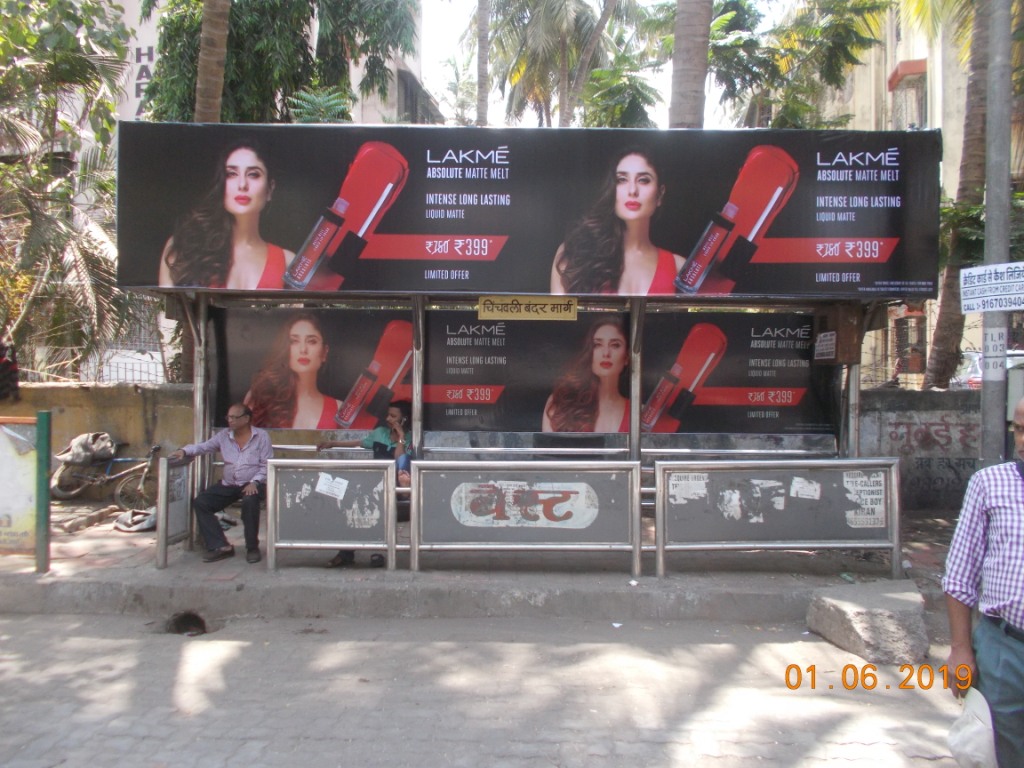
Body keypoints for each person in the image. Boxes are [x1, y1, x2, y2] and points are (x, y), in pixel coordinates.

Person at [942, 394, 1024, 767]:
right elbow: (960, 576)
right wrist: (961, 649)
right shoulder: (990, 484)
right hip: (1005, 647)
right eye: (1019, 430)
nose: (1022, 441)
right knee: (1003, 745)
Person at [158, 140, 296, 289]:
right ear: (221, 183)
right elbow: (167, 311)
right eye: (231, 174)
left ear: (270, 189)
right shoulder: (183, 246)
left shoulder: (288, 262)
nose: (242, 184)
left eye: (253, 174)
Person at [551, 147, 682, 296]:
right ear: (611, 189)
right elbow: (559, 318)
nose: (632, 190)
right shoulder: (574, 254)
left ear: (659, 194)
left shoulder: (680, 269)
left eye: (643, 180)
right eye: (622, 180)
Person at [168, 403, 273, 564]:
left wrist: (255, 482)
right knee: (202, 503)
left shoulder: (261, 436)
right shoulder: (224, 436)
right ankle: (220, 545)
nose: (230, 421)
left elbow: (266, 464)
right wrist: (185, 451)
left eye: (234, 417)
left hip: (253, 484)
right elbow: (204, 447)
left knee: (250, 502)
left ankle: (252, 547)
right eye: (228, 417)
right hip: (228, 484)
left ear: (246, 419)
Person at [317, 400, 412, 568]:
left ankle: (378, 552)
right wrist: (333, 443)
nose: (388, 419)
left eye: (394, 416)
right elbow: (360, 443)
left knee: (379, 509)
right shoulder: (380, 433)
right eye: (388, 415)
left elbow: (400, 459)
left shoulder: (410, 437)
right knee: (350, 506)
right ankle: (346, 552)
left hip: (396, 488)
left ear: (404, 419)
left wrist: (401, 437)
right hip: (374, 482)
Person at [244, 312, 342, 429]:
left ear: (324, 352)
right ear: (285, 348)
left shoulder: (340, 410)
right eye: (294, 341)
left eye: (311, 341)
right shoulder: (260, 398)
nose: (303, 349)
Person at [543, 317, 629, 433]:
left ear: (627, 358)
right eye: (597, 345)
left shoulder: (641, 413)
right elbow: (548, 449)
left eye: (615, 345)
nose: (606, 353)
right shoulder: (560, 403)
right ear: (589, 353)